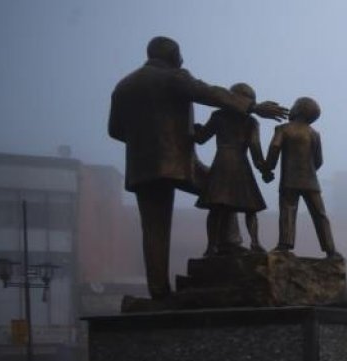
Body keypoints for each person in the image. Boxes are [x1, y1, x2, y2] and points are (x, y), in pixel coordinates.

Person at [109, 36, 288, 300]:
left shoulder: (123, 86)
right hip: (177, 162)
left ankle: (159, 292)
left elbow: (114, 130)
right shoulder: (173, 76)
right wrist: (251, 106)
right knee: (223, 191)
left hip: (142, 167)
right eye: (180, 55)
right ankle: (229, 245)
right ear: (174, 54)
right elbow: (208, 92)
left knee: (154, 231)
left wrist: (145, 143)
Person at [193, 82, 271, 255]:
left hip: (222, 163)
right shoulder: (250, 121)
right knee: (250, 208)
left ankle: (211, 246)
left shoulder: (218, 116)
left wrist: (194, 129)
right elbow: (255, 150)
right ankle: (255, 243)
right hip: (241, 165)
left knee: (217, 208)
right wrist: (264, 169)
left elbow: (201, 138)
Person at [264, 96, 341, 259]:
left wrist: (268, 169)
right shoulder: (314, 134)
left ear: (298, 110)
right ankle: (331, 250)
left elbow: (274, 148)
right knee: (320, 214)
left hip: (289, 180)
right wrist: (309, 171)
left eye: (294, 105)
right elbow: (319, 160)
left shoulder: (283, 129)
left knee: (288, 211)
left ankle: (284, 245)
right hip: (311, 181)